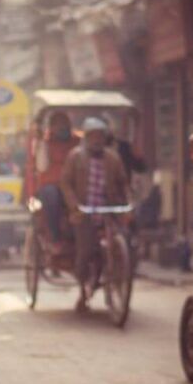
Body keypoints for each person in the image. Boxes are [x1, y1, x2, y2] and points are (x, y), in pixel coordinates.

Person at [60, 117, 130, 312]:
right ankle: (83, 290)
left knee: (125, 243)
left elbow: (123, 183)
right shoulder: (75, 156)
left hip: (109, 211)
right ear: (87, 137)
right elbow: (65, 183)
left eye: (100, 136)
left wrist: (128, 204)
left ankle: (120, 286)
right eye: (93, 136)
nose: (97, 140)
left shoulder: (113, 158)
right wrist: (74, 206)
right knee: (86, 251)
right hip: (84, 214)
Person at [34, 111, 78, 247]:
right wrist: (41, 144)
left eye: (64, 124)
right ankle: (55, 236)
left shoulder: (78, 141)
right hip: (52, 183)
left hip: (74, 182)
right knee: (51, 196)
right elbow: (41, 166)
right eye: (58, 125)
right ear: (52, 127)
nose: (62, 128)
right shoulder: (45, 143)